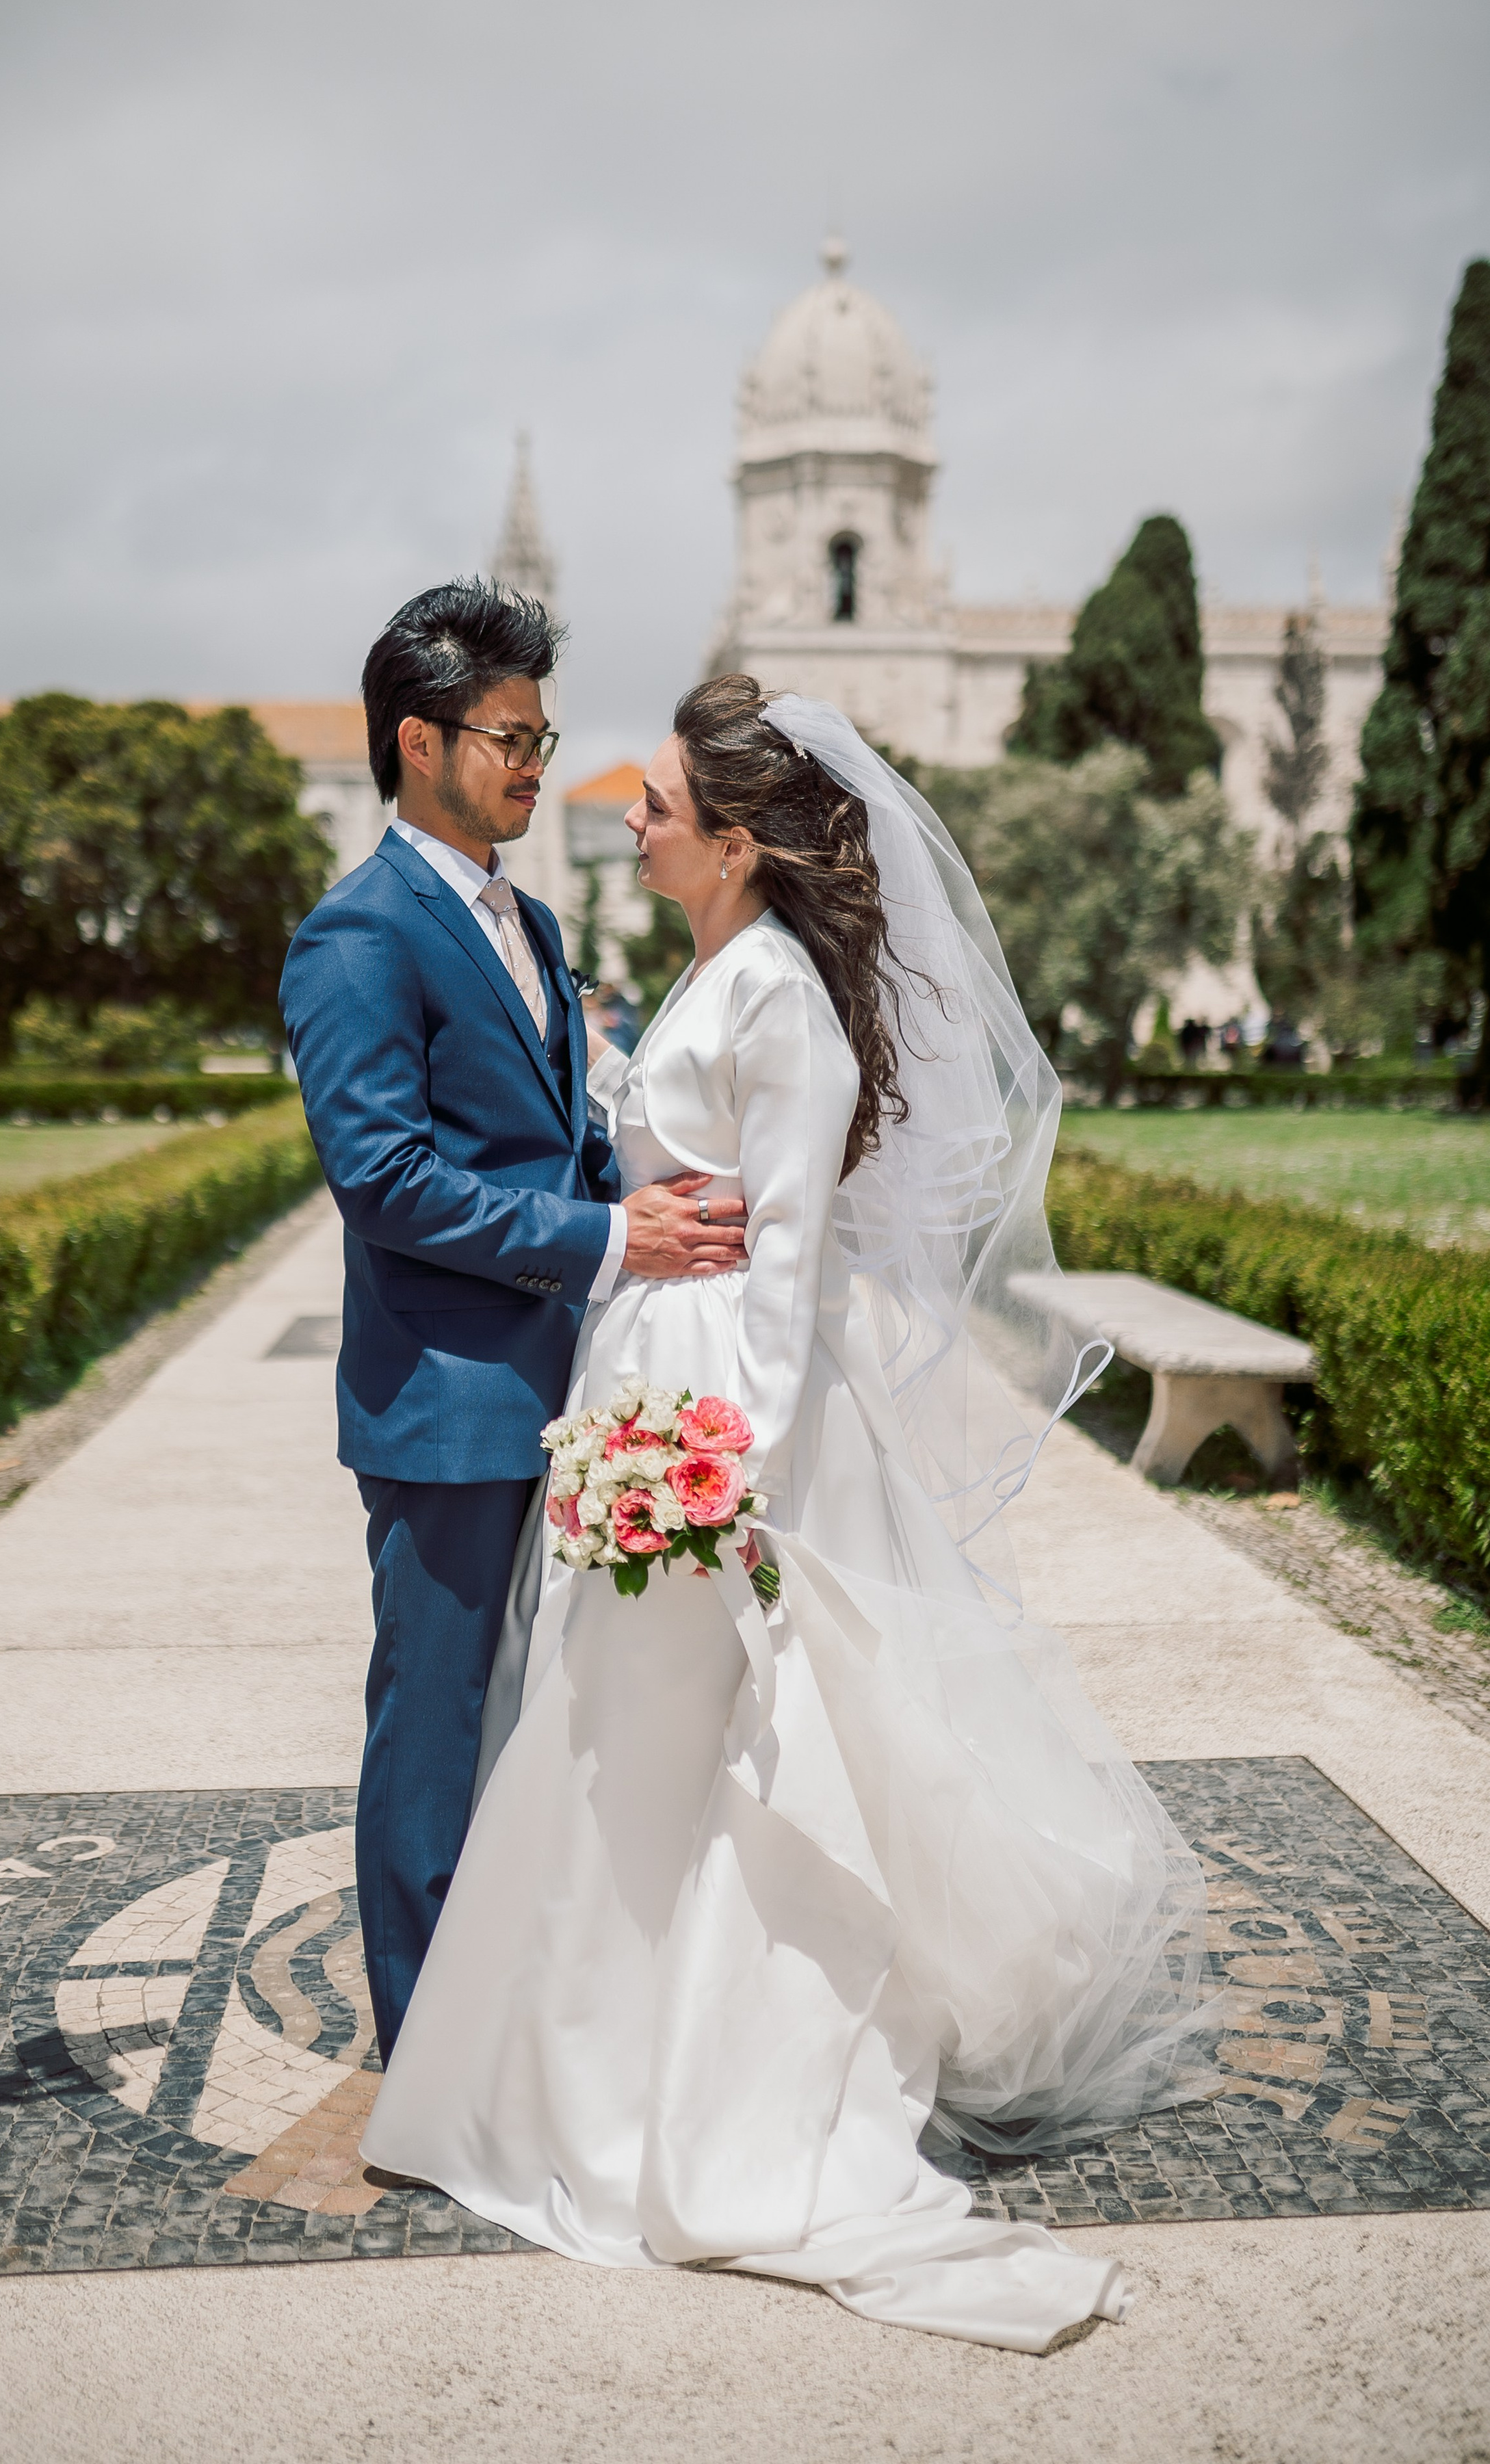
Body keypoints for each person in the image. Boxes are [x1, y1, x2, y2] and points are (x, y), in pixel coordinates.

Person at [361, 676, 1218, 2353]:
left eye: (662, 798)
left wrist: (716, 1480)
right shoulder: (719, 969)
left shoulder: (781, 1003)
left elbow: (793, 1261)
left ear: (739, 842)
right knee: (629, 1752)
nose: (627, 808)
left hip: (708, 1430)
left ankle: (703, 2084)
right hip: (647, 1386)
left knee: (717, 1758)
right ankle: (594, 2056)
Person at [280, 583, 749, 2064]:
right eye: (510, 733)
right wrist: (610, 1239)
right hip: (444, 1399)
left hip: (573, 1383)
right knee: (431, 1719)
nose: (538, 761)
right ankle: (425, 2047)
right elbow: (388, 1183)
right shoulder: (356, 936)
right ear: (418, 740)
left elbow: (562, 1131)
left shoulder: (528, 921)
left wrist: (695, 1214)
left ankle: (535, 1999)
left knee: (542, 1717)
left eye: (545, 732)